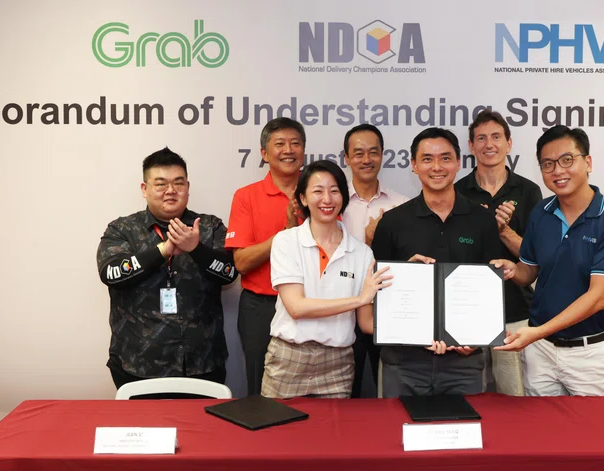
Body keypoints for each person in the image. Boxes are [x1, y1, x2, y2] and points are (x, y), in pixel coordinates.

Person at [493, 126, 604, 397]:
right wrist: (513, 270)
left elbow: (598, 299)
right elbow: (529, 272)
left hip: (589, 354)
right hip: (541, 352)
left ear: (588, 162)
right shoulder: (540, 213)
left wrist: (536, 332)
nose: (557, 170)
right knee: (542, 434)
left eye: (567, 160)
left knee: (595, 435)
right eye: (548, 164)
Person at [370, 127, 502, 398]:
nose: (437, 167)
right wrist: (403, 274)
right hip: (404, 362)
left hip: (464, 362)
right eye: (427, 159)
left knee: (464, 435)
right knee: (398, 434)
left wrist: (475, 341)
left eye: (445, 158)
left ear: (458, 163)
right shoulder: (392, 223)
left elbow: (489, 291)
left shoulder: (482, 220)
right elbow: (376, 294)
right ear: (414, 165)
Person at [97, 147, 238, 390]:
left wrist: (196, 249)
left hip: (202, 364)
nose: (170, 191)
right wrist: (162, 250)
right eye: (161, 183)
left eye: (178, 183)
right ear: (145, 189)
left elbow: (229, 273)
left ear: (188, 187)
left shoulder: (209, 227)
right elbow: (111, 274)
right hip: (137, 364)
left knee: (203, 429)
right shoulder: (122, 229)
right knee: (142, 428)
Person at [263, 160, 392, 398]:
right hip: (289, 358)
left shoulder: (362, 253)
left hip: (338, 363)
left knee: (333, 433)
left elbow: (365, 323)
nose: (327, 199)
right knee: (278, 432)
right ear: (303, 198)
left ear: (343, 197)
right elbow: (296, 307)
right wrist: (358, 299)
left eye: (334, 191)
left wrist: (422, 331)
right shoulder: (286, 241)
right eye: (318, 191)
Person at [454, 110, 542, 396]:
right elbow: (454, 251)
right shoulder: (457, 193)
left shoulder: (528, 191)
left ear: (509, 143)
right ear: (471, 146)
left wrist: (503, 230)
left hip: (516, 310)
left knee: (514, 398)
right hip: (469, 309)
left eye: (496, 137)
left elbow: (536, 258)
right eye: (481, 138)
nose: (488, 144)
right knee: (469, 396)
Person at [226, 117, 306, 396]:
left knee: (309, 391)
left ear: (304, 152)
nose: (289, 150)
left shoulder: (319, 193)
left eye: (295, 143)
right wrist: (286, 234)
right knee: (260, 391)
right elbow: (242, 263)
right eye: (280, 144)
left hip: (309, 306)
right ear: (264, 154)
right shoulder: (246, 197)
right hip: (261, 308)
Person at [340, 124, 409, 398]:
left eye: (373, 152)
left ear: (383, 156)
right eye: (358, 153)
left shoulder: (402, 205)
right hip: (342, 310)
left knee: (390, 389)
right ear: (346, 158)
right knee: (346, 392)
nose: (366, 160)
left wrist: (376, 242)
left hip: (387, 309)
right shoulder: (334, 202)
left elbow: (406, 262)